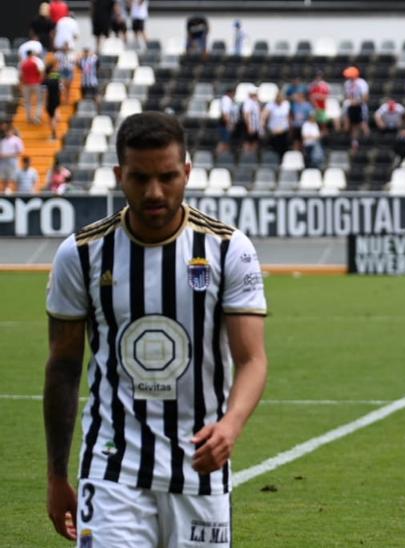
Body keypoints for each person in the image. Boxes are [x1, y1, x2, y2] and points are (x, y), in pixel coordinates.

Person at [43, 112, 268, 547]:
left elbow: (252, 359)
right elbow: (63, 368)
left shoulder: (228, 249)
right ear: (118, 175)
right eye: (139, 177)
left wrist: (231, 426)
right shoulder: (81, 254)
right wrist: (55, 475)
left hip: (200, 471)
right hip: (112, 469)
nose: (154, 192)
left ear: (187, 172)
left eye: (167, 176)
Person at [342, 66, 370, 150]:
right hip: (351, 106)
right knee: (353, 125)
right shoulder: (347, 84)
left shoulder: (362, 83)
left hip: (360, 106)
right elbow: (347, 95)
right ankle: (354, 142)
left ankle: (368, 140)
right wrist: (351, 101)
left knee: (362, 124)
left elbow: (365, 98)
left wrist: (357, 102)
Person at [263, 92, 292, 156]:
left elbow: (288, 117)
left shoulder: (286, 104)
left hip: (284, 130)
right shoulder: (270, 105)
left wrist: (289, 127)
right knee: (274, 148)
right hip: (273, 131)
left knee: (284, 148)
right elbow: (264, 116)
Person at [20, 50, 45, 125]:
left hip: (26, 84)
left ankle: (29, 117)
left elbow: (20, 75)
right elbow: (41, 71)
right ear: (32, 54)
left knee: (27, 102)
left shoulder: (22, 63)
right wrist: (41, 80)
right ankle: (37, 117)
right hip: (36, 83)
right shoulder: (37, 61)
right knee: (39, 101)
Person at [238, 87, 262, 158]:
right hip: (250, 126)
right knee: (247, 142)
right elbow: (246, 114)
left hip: (255, 126)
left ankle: (252, 157)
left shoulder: (255, 103)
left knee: (255, 142)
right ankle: (247, 158)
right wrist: (249, 126)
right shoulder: (248, 102)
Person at [0, 127, 24, 193]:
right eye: (6, 131)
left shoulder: (17, 140)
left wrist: (7, 155)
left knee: (12, 178)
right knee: (4, 178)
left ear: (12, 131)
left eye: (8, 131)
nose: (7, 133)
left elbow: (19, 152)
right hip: (3, 163)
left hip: (12, 162)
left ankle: (12, 192)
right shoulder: (3, 141)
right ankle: (4, 191)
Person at [44, 58, 63, 142]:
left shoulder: (47, 80)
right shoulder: (56, 77)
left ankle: (54, 134)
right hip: (56, 98)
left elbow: (45, 92)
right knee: (54, 117)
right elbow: (61, 87)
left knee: (52, 119)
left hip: (50, 100)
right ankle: (54, 132)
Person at [216, 88, 237, 156]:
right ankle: (219, 156)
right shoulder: (227, 100)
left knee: (226, 142)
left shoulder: (226, 100)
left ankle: (223, 156)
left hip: (224, 123)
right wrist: (229, 124)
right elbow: (226, 114)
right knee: (224, 142)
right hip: (225, 124)